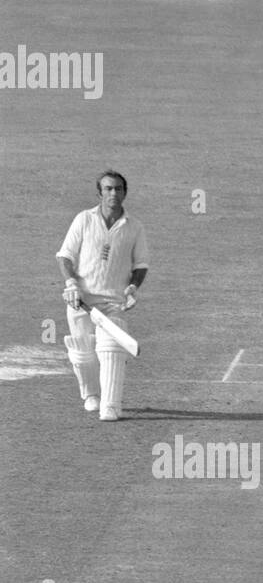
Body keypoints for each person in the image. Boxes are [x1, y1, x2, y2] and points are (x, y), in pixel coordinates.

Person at [55, 169, 149, 421]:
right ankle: (91, 395)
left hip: (114, 301)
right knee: (84, 352)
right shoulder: (83, 219)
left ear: (125, 192)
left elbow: (140, 265)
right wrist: (71, 283)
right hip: (81, 299)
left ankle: (111, 405)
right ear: (99, 193)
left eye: (118, 188)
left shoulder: (134, 227)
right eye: (108, 189)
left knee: (110, 349)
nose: (113, 193)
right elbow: (65, 256)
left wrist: (132, 288)